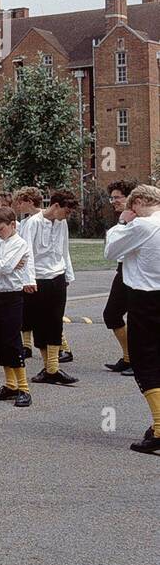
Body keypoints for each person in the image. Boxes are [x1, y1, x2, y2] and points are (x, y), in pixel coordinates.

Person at [102, 185, 160, 455]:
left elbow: (111, 251)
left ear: (136, 202)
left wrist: (122, 222)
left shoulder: (143, 226)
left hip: (146, 299)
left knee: (146, 363)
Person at [0, 206, 34, 407]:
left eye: (1, 229)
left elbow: (4, 266)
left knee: (12, 340)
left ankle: (24, 388)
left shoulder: (19, 244)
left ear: (13, 225)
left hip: (12, 296)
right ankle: (10, 384)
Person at [26, 190, 79, 385]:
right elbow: (28, 253)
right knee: (40, 323)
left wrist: (68, 274)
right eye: (66, 211)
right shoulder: (33, 223)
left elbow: (64, 249)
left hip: (58, 276)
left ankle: (53, 368)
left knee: (56, 320)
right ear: (55, 206)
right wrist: (29, 279)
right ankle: (49, 367)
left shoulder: (62, 223)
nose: (68, 216)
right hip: (39, 279)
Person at [103, 179, 137, 375]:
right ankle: (129, 356)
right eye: (112, 198)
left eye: (117, 198)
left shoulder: (138, 220)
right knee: (112, 314)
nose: (113, 201)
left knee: (136, 317)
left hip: (137, 272)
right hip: (123, 269)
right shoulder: (124, 218)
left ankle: (136, 359)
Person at [12, 187, 43, 359]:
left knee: (43, 312)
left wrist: (27, 277)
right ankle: (26, 345)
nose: (18, 206)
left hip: (36, 273)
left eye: (21, 202)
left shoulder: (34, 222)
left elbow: (27, 250)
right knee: (27, 311)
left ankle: (62, 347)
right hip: (32, 272)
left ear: (30, 202)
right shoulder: (26, 221)